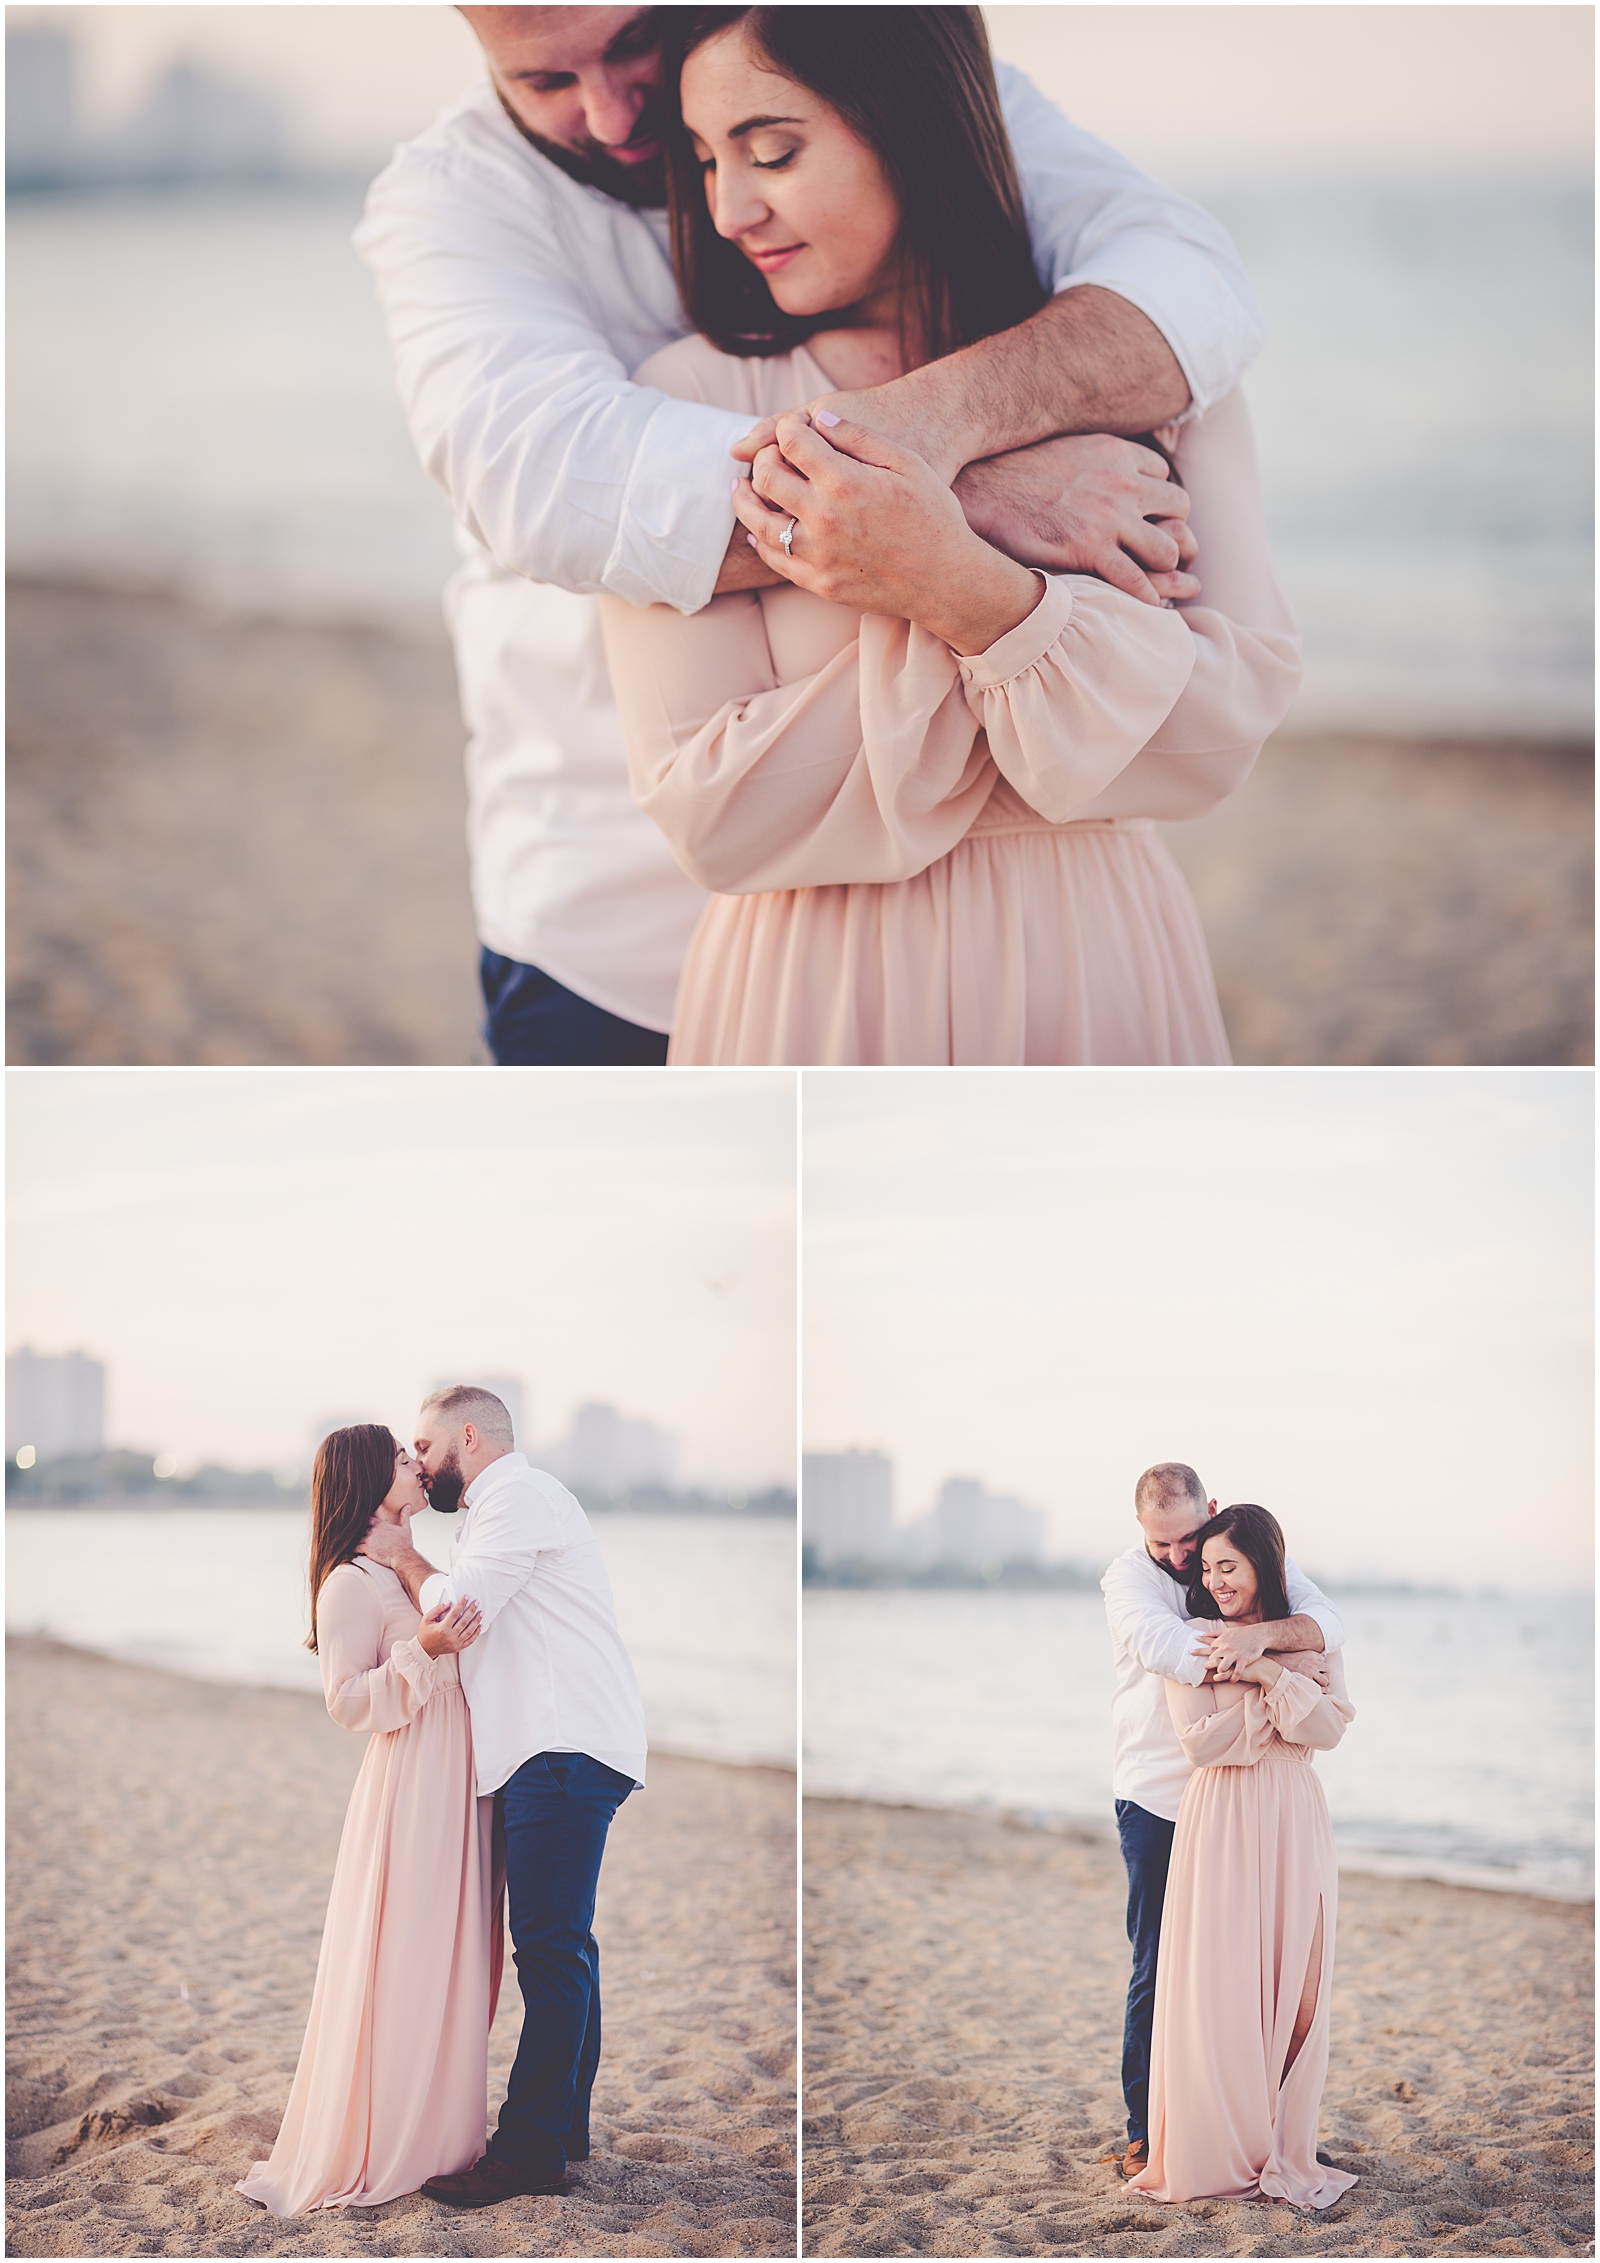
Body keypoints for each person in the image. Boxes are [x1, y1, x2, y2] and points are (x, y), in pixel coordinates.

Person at [355, 4, 1268, 1063]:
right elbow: (551, 479)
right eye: (543, 84)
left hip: (1080, 949)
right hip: (616, 927)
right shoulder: (453, 203)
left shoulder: (875, 54)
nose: (610, 117)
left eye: (629, 44)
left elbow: (1188, 292)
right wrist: (963, 501)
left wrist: (934, 450)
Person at [358, 1384, 648, 2205]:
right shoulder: (504, 1505)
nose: (416, 1459)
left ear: (470, 1437)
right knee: (568, 1944)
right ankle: (563, 2127)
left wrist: (400, 1556)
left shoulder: (517, 1495)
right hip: (564, 1745)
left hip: (559, 1747)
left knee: (550, 1948)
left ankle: (526, 2152)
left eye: (425, 1442)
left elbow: (462, 1608)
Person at [236, 1426, 494, 2215]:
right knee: (411, 1956)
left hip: (463, 1774)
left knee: (460, 1956)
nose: (418, 1465)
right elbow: (346, 1701)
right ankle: (394, 2140)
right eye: (401, 1458)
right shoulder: (348, 1581)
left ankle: (443, 2132)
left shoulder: (408, 1564)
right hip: (414, 1778)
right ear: (366, 1477)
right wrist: (421, 1647)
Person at [1100, 1463, 1344, 2183]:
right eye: (1167, 1544)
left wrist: (1268, 1642)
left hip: (1257, 1807)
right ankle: (1150, 2130)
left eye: (1191, 1541)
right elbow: (1176, 1653)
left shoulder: (1240, 1554)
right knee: (1162, 1967)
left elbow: (1329, 1624)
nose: (1183, 1558)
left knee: (1257, 1974)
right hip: (1160, 1798)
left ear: (1208, 1510)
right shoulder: (1130, 1583)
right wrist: (1288, 1661)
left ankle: (1261, 2126)